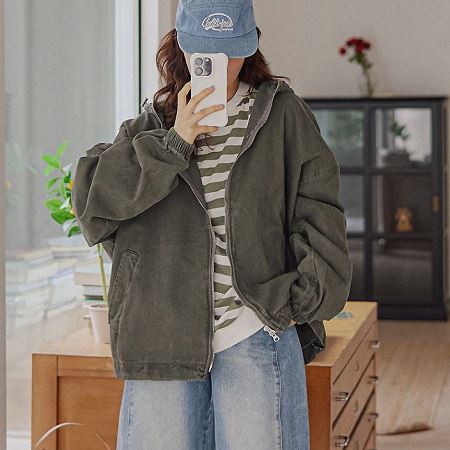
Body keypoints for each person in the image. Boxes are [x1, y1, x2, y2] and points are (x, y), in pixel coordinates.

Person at [71, 0, 353, 448]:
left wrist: (288, 307)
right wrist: (176, 141)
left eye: (229, 52)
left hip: (255, 328)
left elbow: (320, 213)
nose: (218, 65)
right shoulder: (154, 123)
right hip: (162, 335)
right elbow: (92, 203)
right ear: (183, 47)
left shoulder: (282, 115)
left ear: (250, 47)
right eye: (205, 52)